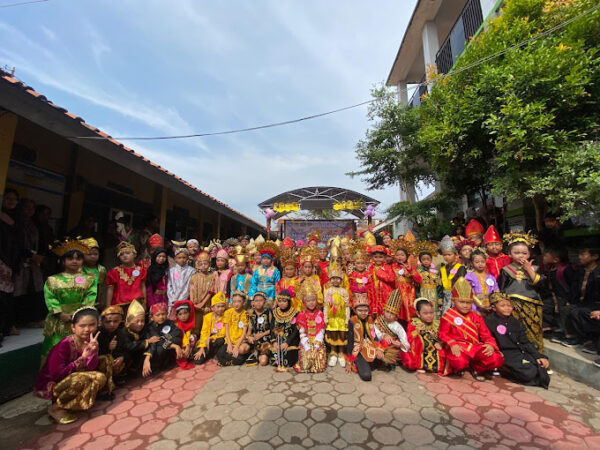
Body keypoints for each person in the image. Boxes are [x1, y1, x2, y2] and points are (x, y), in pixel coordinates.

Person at [35, 307, 108, 424]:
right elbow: (56, 375)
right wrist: (82, 358)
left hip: (73, 378)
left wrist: (93, 352)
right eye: (82, 326)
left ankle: (75, 404)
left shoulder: (90, 341)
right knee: (82, 378)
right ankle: (56, 408)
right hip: (54, 384)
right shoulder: (63, 345)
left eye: (92, 325)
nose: (87, 329)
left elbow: (91, 368)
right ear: (73, 327)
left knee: (100, 377)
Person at [439, 277, 504, 381]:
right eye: (462, 302)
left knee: (496, 358)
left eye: (468, 303)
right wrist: (452, 343)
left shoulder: (476, 316)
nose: (465, 306)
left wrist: (491, 345)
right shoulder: (448, 316)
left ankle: (477, 368)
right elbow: (442, 334)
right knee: (459, 362)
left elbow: (486, 334)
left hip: (474, 347)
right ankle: (461, 367)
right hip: (458, 347)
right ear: (453, 301)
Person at [41, 239, 97, 356]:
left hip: (80, 320)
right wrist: (60, 314)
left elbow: (90, 297)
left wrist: (78, 314)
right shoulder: (53, 280)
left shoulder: (89, 279)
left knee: (79, 349)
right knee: (56, 349)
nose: (74, 261)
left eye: (78, 258)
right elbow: (50, 298)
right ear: (62, 261)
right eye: (70, 258)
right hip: (58, 320)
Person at [486, 292, 550, 388]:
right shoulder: (489, 321)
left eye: (509, 305)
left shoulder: (515, 322)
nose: (507, 308)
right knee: (528, 373)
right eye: (502, 305)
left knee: (539, 364)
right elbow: (488, 340)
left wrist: (538, 356)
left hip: (519, 352)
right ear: (494, 308)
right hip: (504, 353)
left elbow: (525, 342)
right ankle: (504, 369)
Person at [497, 232, 546, 353]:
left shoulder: (536, 268)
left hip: (532, 305)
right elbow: (501, 289)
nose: (521, 256)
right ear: (510, 253)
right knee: (515, 330)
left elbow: (540, 285)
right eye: (516, 253)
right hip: (513, 306)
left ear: (530, 254)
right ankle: (520, 355)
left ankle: (538, 357)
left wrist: (529, 269)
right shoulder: (506, 270)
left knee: (534, 331)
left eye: (524, 253)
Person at [346, 291, 397, 382]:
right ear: (354, 311)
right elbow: (350, 342)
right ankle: (367, 363)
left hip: (370, 345)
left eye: (366, 310)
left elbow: (374, 336)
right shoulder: (352, 321)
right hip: (358, 349)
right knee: (366, 376)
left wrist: (379, 349)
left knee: (390, 364)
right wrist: (349, 361)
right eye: (360, 310)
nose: (363, 313)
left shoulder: (369, 319)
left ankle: (374, 362)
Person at [561, 245, 600, 361]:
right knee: (568, 310)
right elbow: (574, 288)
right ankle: (576, 337)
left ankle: (593, 340)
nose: (580, 257)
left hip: (596, 305)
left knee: (584, 313)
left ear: (595, 256)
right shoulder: (580, 271)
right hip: (582, 302)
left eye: (583, 254)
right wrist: (569, 300)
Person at [14, 198, 46, 325]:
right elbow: (16, 243)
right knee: (18, 289)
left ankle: (31, 319)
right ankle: (16, 321)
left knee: (34, 289)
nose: (29, 210)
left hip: (33, 264)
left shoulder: (33, 224)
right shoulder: (15, 222)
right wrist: (29, 255)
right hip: (19, 261)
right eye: (26, 207)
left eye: (32, 208)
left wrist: (39, 256)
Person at [400, 298, 446, 374]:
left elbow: (442, 335)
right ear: (418, 313)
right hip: (419, 351)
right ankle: (420, 365)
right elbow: (408, 338)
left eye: (431, 313)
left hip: (434, 348)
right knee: (421, 339)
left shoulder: (437, 323)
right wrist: (416, 332)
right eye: (425, 313)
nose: (429, 316)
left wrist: (440, 343)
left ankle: (433, 366)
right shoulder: (414, 323)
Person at [116, 300, 158, 378]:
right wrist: (147, 341)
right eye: (137, 321)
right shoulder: (123, 332)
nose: (140, 324)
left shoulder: (145, 328)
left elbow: (154, 339)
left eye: (142, 321)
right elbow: (128, 346)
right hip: (126, 355)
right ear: (127, 323)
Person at [0, 189, 21, 340]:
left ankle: (5, 328)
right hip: (1, 260)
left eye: (14, 199)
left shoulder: (17, 219)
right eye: (8, 198)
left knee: (6, 298)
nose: (11, 201)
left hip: (10, 262)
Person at [293, 282, 327, 373]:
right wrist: (307, 349)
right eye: (308, 301)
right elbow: (302, 334)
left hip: (317, 342)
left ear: (316, 300)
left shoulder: (320, 314)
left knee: (319, 366)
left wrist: (316, 348)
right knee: (305, 365)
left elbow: (321, 333)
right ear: (304, 302)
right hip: (306, 342)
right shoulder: (301, 315)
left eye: (313, 300)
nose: (311, 303)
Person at [541, 246, 574, 339]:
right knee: (544, 306)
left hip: (565, 297)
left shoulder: (565, 270)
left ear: (556, 259)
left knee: (563, 309)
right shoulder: (550, 269)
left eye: (546, 256)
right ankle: (551, 327)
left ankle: (569, 334)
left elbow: (572, 287)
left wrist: (569, 300)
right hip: (554, 296)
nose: (544, 258)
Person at [106, 242, 147, 316]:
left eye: (127, 253)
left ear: (134, 254)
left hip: (137, 303)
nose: (124, 255)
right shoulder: (114, 272)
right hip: (119, 303)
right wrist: (108, 306)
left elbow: (142, 286)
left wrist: (144, 302)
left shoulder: (141, 270)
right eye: (121, 254)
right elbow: (110, 289)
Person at [323, 264, 350, 367]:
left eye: (337, 279)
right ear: (330, 280)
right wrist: (326, 318)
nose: (335, 281)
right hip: (332, 318)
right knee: (333, 335)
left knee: (342, 336)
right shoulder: (328, 291)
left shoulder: (344, 291)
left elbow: (347, 306)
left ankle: (341, 353)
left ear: (341, 280)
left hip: (342, 318)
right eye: (333, 279)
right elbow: (326, 305)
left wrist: (347, 319)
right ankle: (333, 353)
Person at [390, 239, 422, 323]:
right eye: (397, 255)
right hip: (397, 292)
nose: (399, 257)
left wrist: (411, 270)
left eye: (402, 255)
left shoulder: (409, 267)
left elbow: (418, 280)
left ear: (406, 256)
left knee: (408, 311)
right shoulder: (392, 267)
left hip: (408, 293)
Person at [145, 303, 183, 374]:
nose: (161, 317)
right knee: (161, 348)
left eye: (163, 314)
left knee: (177, 340)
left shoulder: (169, 322)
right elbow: (157, 340)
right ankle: (156, 367)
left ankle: (169, 363)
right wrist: (174, 345)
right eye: (157, 315)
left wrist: (165, 337)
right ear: (152, 317)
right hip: (155, 347)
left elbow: (178, 332)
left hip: (165, 343)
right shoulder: (150, 327)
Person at [373, 290, 410, 360]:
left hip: (391, 347)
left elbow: (404, 339)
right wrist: (384, 335)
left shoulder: (397, 326)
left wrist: (400, 344)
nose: (389, 315)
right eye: (387, 311)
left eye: (392, 314)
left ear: (396, 316)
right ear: (383, 311)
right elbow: (374, 333)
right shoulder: (378, 321)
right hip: (378, 343)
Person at [193, 292, 227, 365]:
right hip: (207, 339)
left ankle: (212, 353)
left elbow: (223, 333)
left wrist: (211, 338)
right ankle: (209, 353)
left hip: (217, 339)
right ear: (212, 308)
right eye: (218, 306)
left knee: (220, 340)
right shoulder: (207, 317)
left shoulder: (226, 317)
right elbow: (204, 332)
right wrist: (202, 347)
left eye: (222, 306)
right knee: (198, 360)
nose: (221, 309)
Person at [218, 291, 250, 366]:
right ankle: (230, 359)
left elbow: (244, 332)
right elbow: (226, 329)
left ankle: (231, 359)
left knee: (238, 359)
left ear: (243, 302)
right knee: (220, 353)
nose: (236, 304)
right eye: (234, 301)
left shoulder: (245, 314)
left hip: (239, 341)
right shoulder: (228, 312)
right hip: (229, 340)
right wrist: (229, 344)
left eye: (239, 301)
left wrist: (236, 346)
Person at [271, 289, 300, 370]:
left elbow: (295, 331)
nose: (281, 303)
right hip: (278, 341)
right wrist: (274, 342)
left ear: (289, 301)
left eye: (284, 301)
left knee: (289, 360)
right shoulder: (275, 312)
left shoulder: (295, 313)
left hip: (290, 341)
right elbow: (272, 327)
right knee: (274, 358)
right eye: (279, 301)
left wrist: (287, 342)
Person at [189, 251, 217, 335]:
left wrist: (202, 304)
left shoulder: (212, 276)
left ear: (209, 264)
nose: (203, 266)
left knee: (206, 325)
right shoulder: (194, 277)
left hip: (206, 305)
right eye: (201, 264)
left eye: (205, 263)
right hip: (195, 304)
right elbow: (191, 290)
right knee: (196, 326)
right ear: (197, 265)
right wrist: (192, 303)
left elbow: (210, 292)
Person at [414, 241, 443, 320]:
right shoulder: (418, 271)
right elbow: (417, 287)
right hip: (423, 294)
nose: (426, 261)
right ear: (420, 260)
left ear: (431, 260)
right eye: (424, 259)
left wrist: (440, 301)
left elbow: (439, 287)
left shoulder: (435, 272)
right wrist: (418, 297)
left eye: (428, 259)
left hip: (434, 295)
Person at [465, 249, 498, 315]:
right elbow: (469, 293)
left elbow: (496, 291)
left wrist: (494, 304)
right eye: (477, 262)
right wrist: (480, 305)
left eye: (483, 262)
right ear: (471, 263)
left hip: (490, 306)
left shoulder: (491, 277)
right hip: (475, 306)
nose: (480, 264)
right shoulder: (469, 276)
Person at [439, 236, 467, 314]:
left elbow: (462, 285)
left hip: (456, 296)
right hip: (445, 297)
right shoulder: (443, 268)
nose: (446, 257)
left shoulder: (461, 268)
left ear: (455, 254)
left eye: (449, 254)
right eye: (444, 255)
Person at [367, 245, 396, 318]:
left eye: (380, 257)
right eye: (376, 257)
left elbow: (392, 279)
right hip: (373, 294)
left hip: (385, 294)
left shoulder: (388, 267)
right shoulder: (370, 268)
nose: (378, 259)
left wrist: (379, 273)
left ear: (384, 257)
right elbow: (367, 279)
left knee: (385, 314)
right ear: (372, 257)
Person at [248, 241, 281, 306]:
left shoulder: (275, 270)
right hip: (258, 294)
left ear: (271, 260)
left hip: (271, 294)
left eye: (268, 258)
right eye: (264, 258)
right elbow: (253, 284)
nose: (265, 260)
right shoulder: (257, 270)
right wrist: (252, 298)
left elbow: (278, 285)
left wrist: (276, 299)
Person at [98, 305, 125, 382]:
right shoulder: (98, 333)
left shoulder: (120, 332)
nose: (112, 324)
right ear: (102, 322)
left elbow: (124, 348)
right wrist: (108, 347)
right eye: (108, 322)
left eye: (115, 321)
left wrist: (122, 357)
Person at [246, 292, 273, 366]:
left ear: (265, 301)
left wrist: (262, 334)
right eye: (256, 301)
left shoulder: (269, 313)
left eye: (260, 300)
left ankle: (263, 355)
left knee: (263, 362)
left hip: (265, 340)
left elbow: (272, 329)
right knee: (243, 349)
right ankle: (254, 354)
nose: (258, 303)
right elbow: (249, 331)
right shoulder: (251, 314)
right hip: (255, 340)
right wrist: (249, 337)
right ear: (253, 302)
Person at [81, 238, 106, 309]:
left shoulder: (101, 269)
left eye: (95, 254)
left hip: (97, 303)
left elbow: (102, 287)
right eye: (89, 254)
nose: (93, 256)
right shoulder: (79, 269)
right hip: (82, 303)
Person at [166, 248, 195, 312]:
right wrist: (173, 300)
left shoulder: (191, 271)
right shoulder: (171, 270)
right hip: (172, 301)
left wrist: (181, 300)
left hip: (184, 300)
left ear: (187, 258)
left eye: (184, 257)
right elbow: (169, 285)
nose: (182, 259)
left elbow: (189, 286)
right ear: (175, 259)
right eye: (179, 257)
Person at [173, 300, 196, 369]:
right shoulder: (176, 324)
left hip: (188, 346)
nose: (183, 316)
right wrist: (185, 347)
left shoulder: (192, 323)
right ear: (177, 316)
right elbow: (181, 336)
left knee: (193, 337)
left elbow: (188, 336)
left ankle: (189, 355)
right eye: (180, 314)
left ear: (189, 313)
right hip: (180, 346)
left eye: (185, 313)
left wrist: (188, 347)